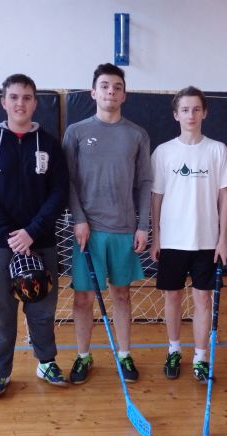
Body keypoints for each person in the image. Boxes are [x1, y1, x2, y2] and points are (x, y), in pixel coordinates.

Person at [0, 74, 69, 398]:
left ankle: (46, 362)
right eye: (14, 97)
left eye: (26, 98)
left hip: (41, 242)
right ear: (4, 102)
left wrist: (32, 232)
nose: (20, 103)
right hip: (1, 244)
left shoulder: (50, 145)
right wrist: (11, 234)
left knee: (42, 307)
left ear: (35, 103)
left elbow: (59, 193)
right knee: (1, 312)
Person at [63, 62, 152, 384]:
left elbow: (145, 182)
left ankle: (124, 354)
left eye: (117, 87)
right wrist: (79, 219)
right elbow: (68, 181)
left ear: (124, 95)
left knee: (122, 295)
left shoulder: (137, 134)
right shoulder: (76, 132)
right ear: (93, 92)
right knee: (83, 298)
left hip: (124, 229)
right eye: (104, 86)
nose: (110, 92)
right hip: (87, 231)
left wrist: (143, 225)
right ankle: (83, 355)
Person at [149, 86, 227, 383]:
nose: (191, 115)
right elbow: (156, 197)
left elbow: (224, 196)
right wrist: (156, 237)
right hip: (172, 240)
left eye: (196, 109)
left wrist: (223, 238)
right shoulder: (163, 152)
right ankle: (173, 350)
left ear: (204, 112)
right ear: (176, 115)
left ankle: (200, 357)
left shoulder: (218, 150)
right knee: (172, 298)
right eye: (185, 109)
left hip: (206, 241)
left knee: (203, 300)